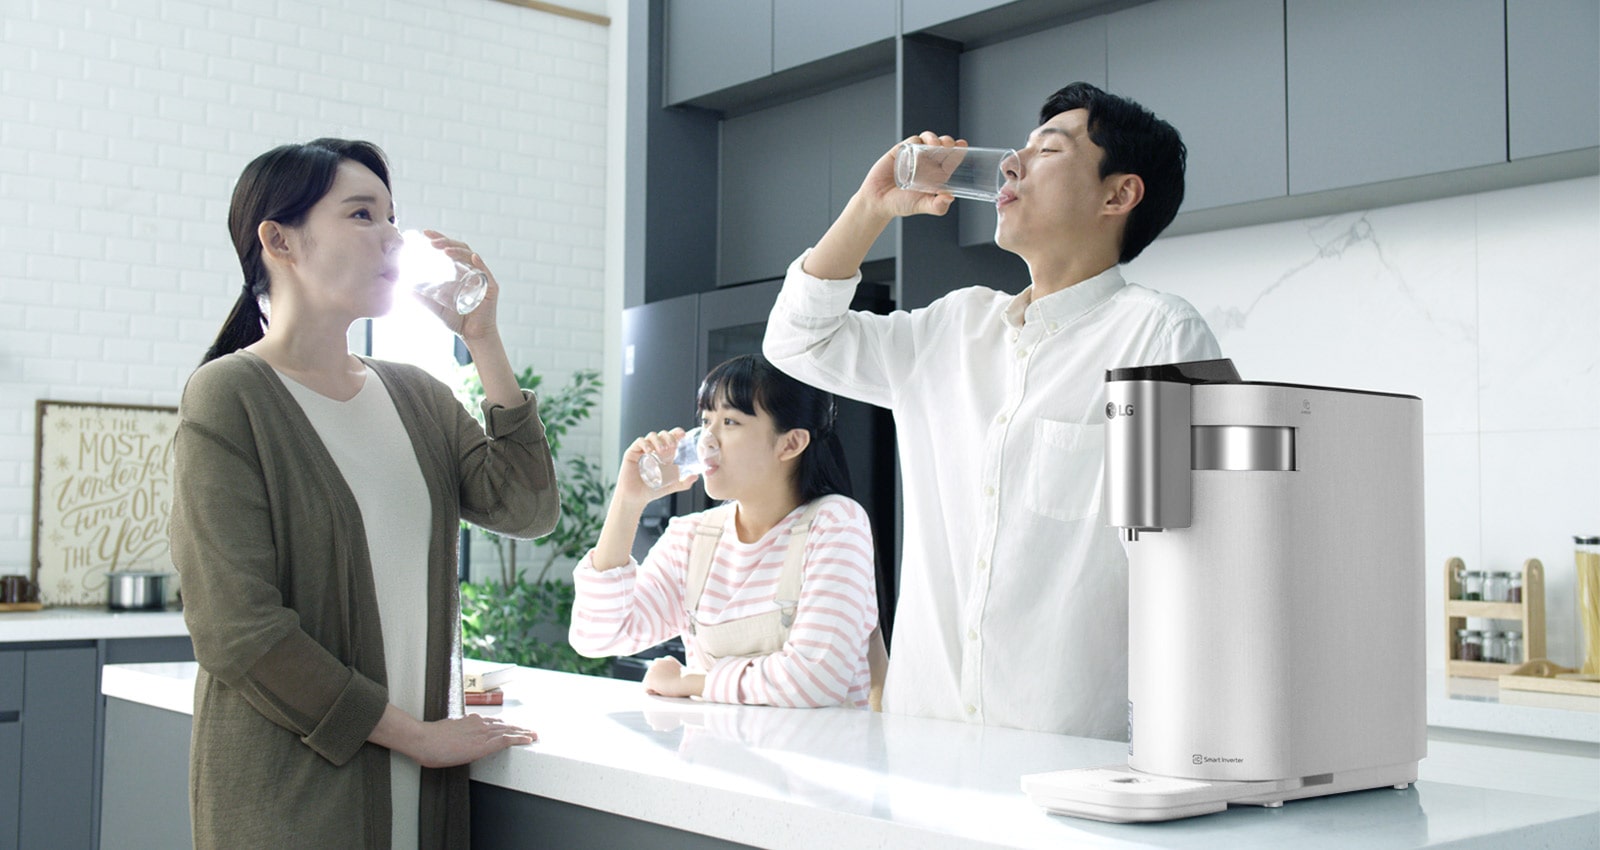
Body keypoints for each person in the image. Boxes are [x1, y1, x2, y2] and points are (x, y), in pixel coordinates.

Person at [763, 82, 1222, 738]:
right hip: (926, 748)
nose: (1011, 165)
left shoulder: (1158, 337)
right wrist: (871, 206)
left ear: (1119, 195)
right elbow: (798, 342)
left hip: (1072, 759)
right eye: (1017, 152)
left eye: (1048, 151)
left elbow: (1198, 562)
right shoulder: (953, 330)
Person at [168, 138, 557, 849]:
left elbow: (526, 508)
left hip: (421, 785)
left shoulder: (415, 393)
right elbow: (238, 631)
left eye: (392, 217)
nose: (392, 237)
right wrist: (417, 738)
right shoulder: (230, 396)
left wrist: (485, 341)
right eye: (361, 214)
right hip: (297, 795)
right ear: (279, 239)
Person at [569, 354, 882, 708]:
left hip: (817, 759)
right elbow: (597, 637)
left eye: (730, 421)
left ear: (790, 443)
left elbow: (813, 682)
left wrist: (690, 682)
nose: (707, 440)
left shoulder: (836, 523)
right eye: (706, 420)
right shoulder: (693, 537)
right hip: (715, 758)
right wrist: (627, 502)